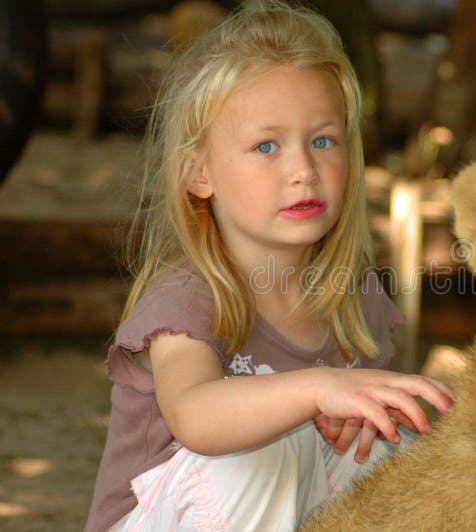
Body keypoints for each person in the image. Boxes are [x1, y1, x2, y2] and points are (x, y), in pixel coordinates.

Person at [84, 1, 453, 530]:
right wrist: (315, 389)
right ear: (199, 173)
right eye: (266, 146)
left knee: (389, 444)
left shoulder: (351, 294)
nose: (303, 169)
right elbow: (196, 417)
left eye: (323, 141)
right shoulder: (187, 296)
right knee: (260, 454)